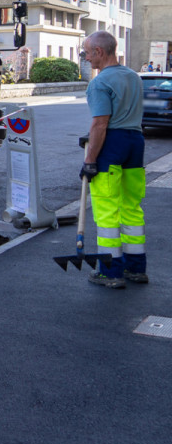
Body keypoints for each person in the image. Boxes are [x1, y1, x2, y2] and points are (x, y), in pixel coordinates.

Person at [79, 31, 147, 288]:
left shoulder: (99, 83)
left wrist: (90, 160)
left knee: (107, 212)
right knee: (131, 208)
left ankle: (110, 271)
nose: (85, 57)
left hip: (113, 145)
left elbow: (100, 124)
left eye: (86, 52)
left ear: (99, 51)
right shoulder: (133, 76)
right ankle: (136, 268)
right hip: (135, 143)